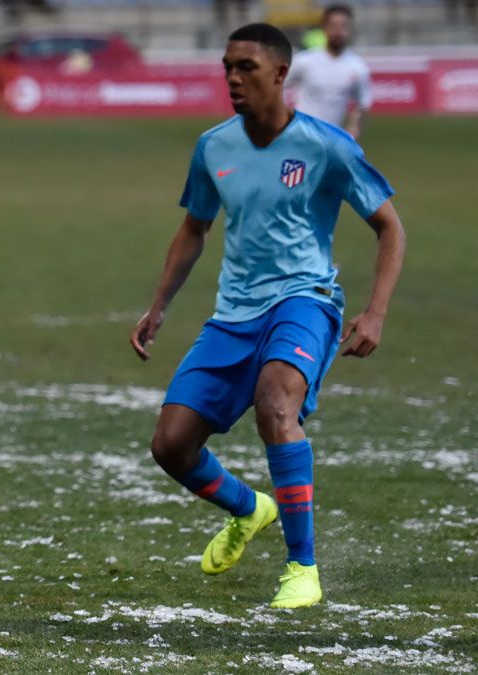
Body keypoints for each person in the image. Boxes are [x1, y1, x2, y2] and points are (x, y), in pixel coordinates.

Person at [129, 23, 404, 608]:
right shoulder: (214, 146)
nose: (233, 77)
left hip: (305, 300)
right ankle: (250, 509)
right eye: (227, 66)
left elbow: (390, 228)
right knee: (170, 445)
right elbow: (194, 228)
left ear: (281, 74)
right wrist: (159, 306)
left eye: (246, 67)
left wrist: (375, 312)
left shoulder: (326, 145)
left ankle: (303, 568)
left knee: (277, 403)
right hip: (234, 315)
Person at [285, 5, 372, 138]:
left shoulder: (358, 67)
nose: (338, 31)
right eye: (333, 26)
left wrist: (354, 128)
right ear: (324, 28)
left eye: (343, 26)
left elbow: (363, 102)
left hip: (332, 140)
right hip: (301, 136)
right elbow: (276, 85)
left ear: (350, 29)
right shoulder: (305, 60)